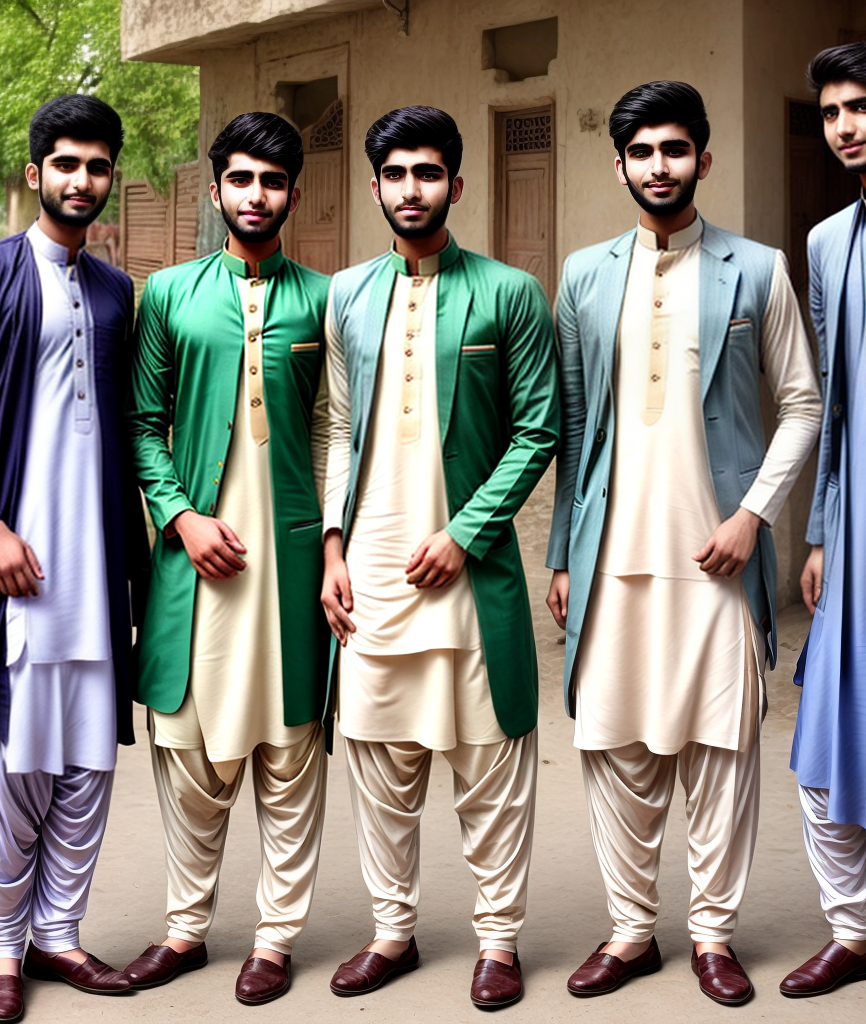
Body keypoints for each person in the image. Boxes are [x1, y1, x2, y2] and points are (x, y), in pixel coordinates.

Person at [545, 80, 822, 1006]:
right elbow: (576, 424)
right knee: (614, 745)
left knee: (720, 749)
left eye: (675, 150)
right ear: (619, 163)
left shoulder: (758, 268)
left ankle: (712, 934)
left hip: (718, 557)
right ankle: (629, 930)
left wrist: (754, 517)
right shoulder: (584, 274)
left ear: (703, 159)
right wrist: (559, 554)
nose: (658, 167)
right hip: (612, 554)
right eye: (641, 152)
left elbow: (801, 404)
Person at [0, 94, 147, 1023]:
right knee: (14, 759)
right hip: (13, 568)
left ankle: (59, 934)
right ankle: (1, 947)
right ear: (36, 170)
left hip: (97, 564)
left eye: (97, 166)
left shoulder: (118, 292)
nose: (81, 180)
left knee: (87, 758)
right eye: (67, 163)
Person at [319, 104, 558, 1011]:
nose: (411, 189)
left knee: (491, 758)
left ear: (456, 184)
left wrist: (465, 533)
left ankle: (498, 942)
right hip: (374, 560)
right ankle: (393, 932)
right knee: (378, 760)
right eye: (395, 174)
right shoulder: (348, 293)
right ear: (375, 185)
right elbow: (337, 424)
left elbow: (536, 429)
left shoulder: (508, 292)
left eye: (428, 173)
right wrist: (334, 546)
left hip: (469, 566)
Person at [124, 112, 331, 1006]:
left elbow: (336, 428)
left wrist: (333, 546)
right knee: (192, 756)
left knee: (291, 753)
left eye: (273, 181)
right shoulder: (168, 293)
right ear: (216, 191)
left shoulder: (328, 298)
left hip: (288, 565)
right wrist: (179, 518)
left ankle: (276, 939)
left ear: (293, 192)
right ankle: (185, 928)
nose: (257, 196)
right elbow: (140, 425)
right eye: (241, 180)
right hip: (199, 564)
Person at [780, 42, 866, 1014]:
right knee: (823, 733)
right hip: (854, 521)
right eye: (830, 111)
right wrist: (820, 531)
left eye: (862, 107)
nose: (843, 126)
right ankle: (848, 932)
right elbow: (831, 399)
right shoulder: (828, 240)